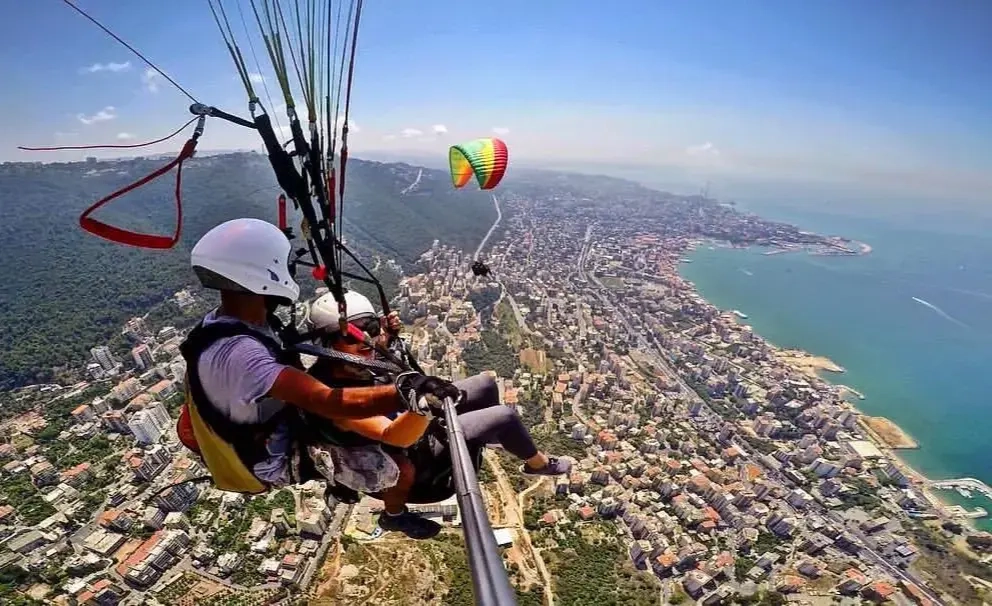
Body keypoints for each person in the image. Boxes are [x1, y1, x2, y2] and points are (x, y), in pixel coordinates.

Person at [177, 218, 459, 494]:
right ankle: (351, 489)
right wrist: (410, 392)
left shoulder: (234, 321)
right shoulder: (239, 353)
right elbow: (321, 400)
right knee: (398, 467)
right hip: (276, 459)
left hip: (286, 424)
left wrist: (381, 331)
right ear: (268, 273)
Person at [304, 290, 572, 539]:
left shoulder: (354, 363)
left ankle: (489, 438)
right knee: (503, 416)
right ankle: (537, 465)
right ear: (326, 344)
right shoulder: (334, 398)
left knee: (485, 384)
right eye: (351, 335)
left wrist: (389, 334)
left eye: (371, 329)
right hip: (411, 453)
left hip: (415, 423)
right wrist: (424, 405)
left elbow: (374, 346)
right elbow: (395, 436)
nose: (367, 341)